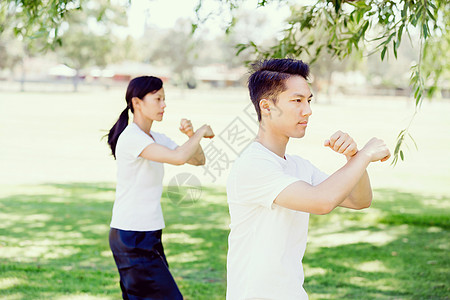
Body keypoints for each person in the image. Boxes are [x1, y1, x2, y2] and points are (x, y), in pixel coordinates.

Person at [226, 59, 390, 300]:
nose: (308, 110)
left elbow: (359, 200)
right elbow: (321, 202)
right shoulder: (253, 164)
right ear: (266, 107)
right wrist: (365, 155)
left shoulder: (298, 166)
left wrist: (353, 157)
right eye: (297, 101)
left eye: (309, 100)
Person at [106, 76, 214, 299]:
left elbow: (197, 160)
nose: (164, 105)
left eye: (164, 99)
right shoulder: (132, 138)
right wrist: (201, 131)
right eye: (157, 99)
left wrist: (190, 136)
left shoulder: (155, 137)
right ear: (137, 103)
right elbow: (177, 157)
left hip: (148, 233)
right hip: (132, 235)